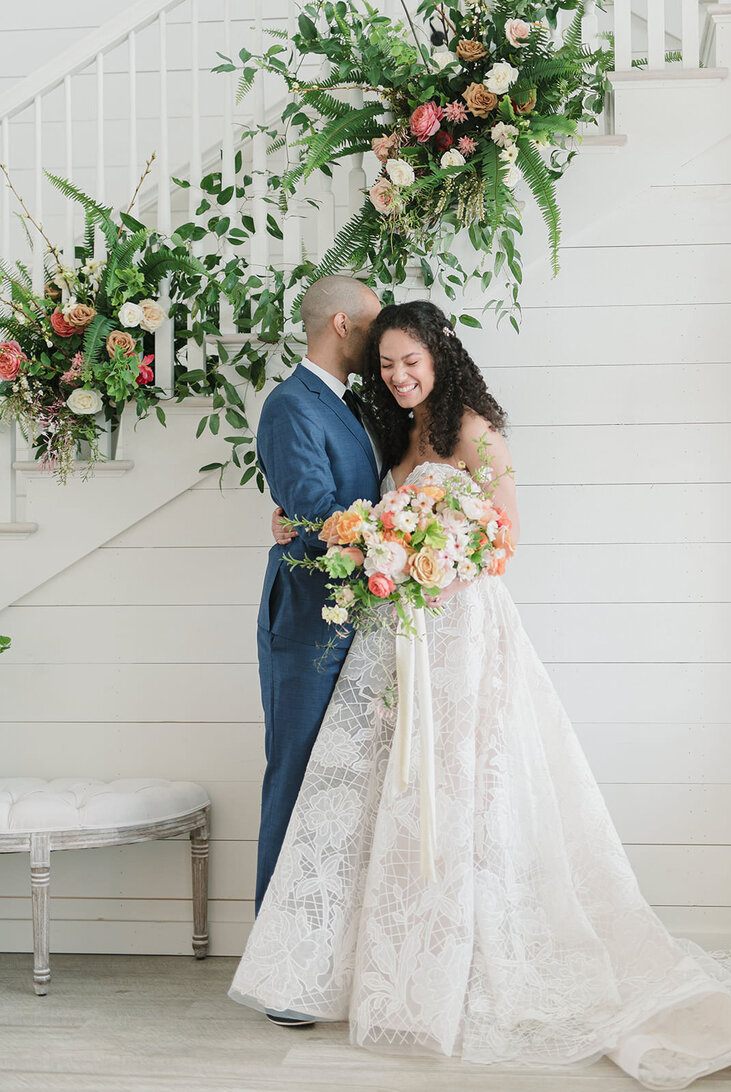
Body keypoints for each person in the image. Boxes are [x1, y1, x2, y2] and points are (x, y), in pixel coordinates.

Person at [232, 300, 731, 1086]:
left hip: (464, 629)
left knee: (475, 786)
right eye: (387, 363)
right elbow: (343, 508)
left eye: (410, 363)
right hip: (400, 633)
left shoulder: (473, 429)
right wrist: (316, 528)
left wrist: (430, 547)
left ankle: (475, 953)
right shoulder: (386, 434)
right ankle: (394, 958)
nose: (397, 376)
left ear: (437, 357)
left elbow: (503, 537)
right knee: (387, 793)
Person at [252, 274, 382, 1020]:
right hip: (306, 620)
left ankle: (331, 957)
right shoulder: (290, 405)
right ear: (341, 324)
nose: (378, 340)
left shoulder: (349, 404)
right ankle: (279, 974)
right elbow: (316, 514)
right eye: (369, 327)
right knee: (297, 778)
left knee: (341, 786)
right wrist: (404, 540)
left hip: (352, 614)